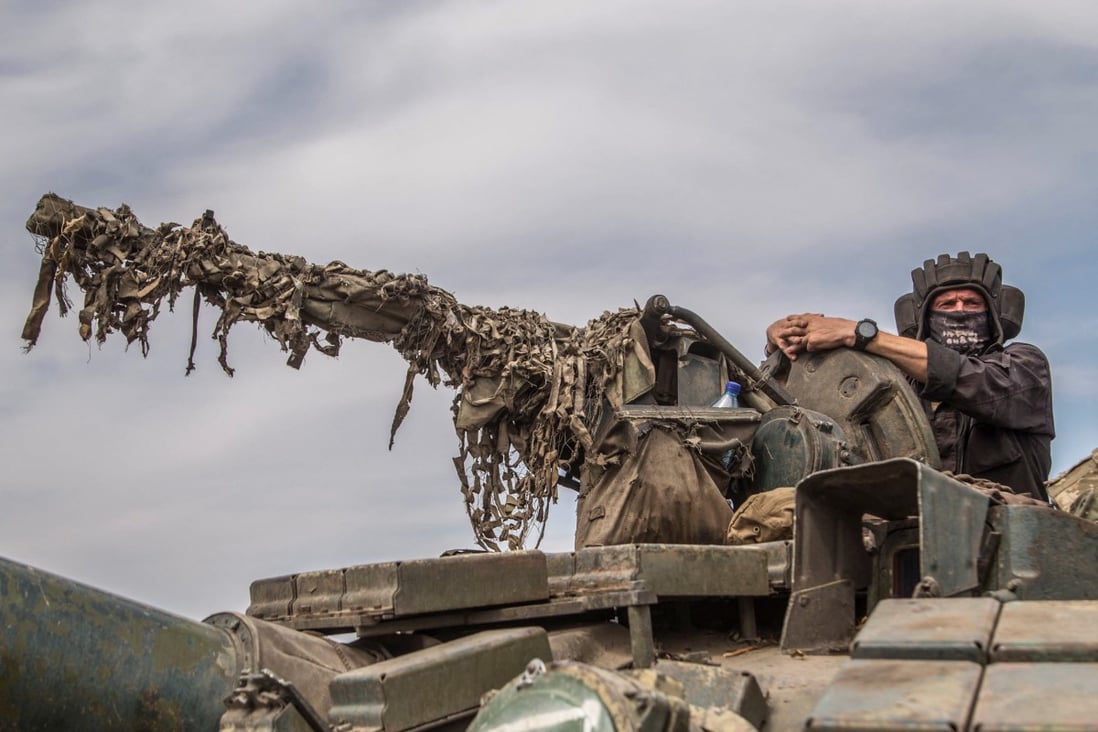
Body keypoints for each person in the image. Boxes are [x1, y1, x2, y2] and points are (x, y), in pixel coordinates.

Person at [765, 252, 1054, 501]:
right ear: (924, 319)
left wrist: (859, 333)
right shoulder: (897, 387)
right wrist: (786, 340)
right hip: (910, 541)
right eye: (946, 305)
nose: (960, 312)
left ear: (992, 315)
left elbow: (969, 380)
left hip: (1005, 537)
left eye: (972, 303)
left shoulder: (1025, 366)